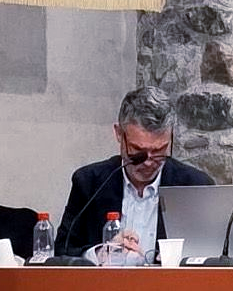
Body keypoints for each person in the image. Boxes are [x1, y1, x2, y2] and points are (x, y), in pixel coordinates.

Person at [54, 87, 214, 263]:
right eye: (138, 151)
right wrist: (99, 254)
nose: (148, 162)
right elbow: (62, 250)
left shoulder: (195, 186)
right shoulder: (89, 182)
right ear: (119, 134)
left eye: (159, 151)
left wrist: (176, 259)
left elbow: (212, 255)